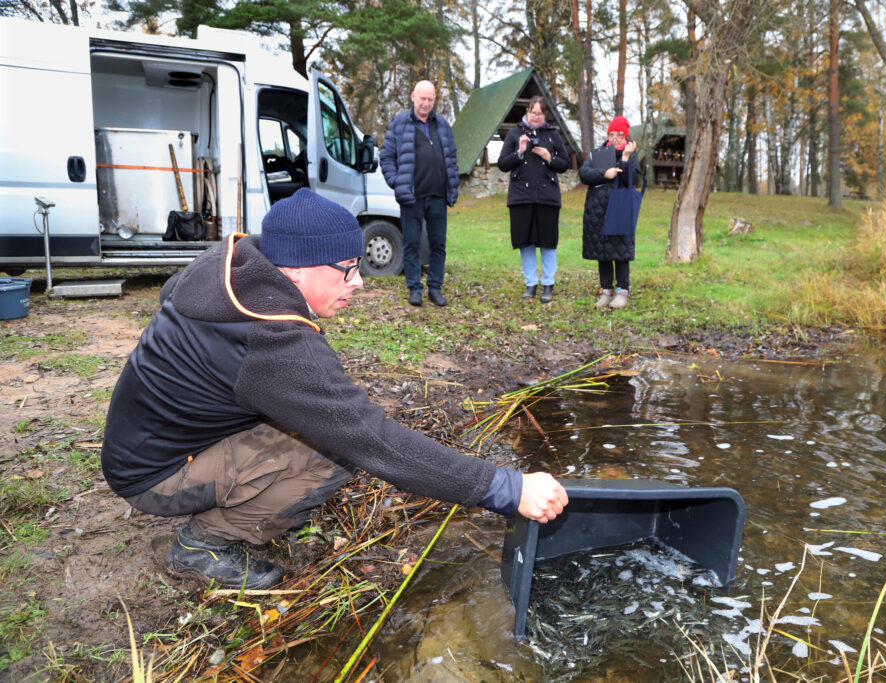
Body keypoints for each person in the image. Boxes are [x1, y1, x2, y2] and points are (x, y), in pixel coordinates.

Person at [100, 189, 568, 589]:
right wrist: (505, 488)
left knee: (328, 431)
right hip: (155, 474)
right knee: (336, 454)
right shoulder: (270, 339)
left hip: (147, 442)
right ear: (298, 269)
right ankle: (203, 543)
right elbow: (372, 441)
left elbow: (178, 303)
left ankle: (238, 495)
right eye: (347, 268)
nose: (359, 282)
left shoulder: (234, 270)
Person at [380, 81, 459, 308]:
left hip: (438, 196)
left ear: (435, 100)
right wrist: (397, 182)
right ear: (413, 96)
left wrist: (451, 188)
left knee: (438, 245)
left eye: (430, 100)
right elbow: (386, 157)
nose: (426, 103)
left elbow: (452, 159)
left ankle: (435, 288)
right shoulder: (400, 123)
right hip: (412, 197)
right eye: (422, 98)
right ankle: (414, 288)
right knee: (411, 244)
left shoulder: (442, 125)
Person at [496, 96, 570, 303]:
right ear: (527, 111)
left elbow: (564, 164)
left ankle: (548, 284)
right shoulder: (514, 133)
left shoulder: (553, 135)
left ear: (545, 115)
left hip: (547, 197)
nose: (536, 117)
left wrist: (549, 157)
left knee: (548, 242)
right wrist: (519, 152)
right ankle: (530, 284)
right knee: (525, 242)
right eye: (533, 112)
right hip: (521, 197)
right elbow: (502, 164)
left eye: (540, 113)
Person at [578, 116, 640, 310]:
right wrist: (604, 174)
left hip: (620, 209)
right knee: (602, 251)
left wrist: (625, 159)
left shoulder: (630, 155)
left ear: (625, 137)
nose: (614, 138)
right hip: (598, 209)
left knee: (620, 251)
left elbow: (632, 181)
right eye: (611, 134)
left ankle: (622, 290)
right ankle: (606, 290)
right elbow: (584, 174)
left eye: (619, 135)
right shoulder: (599, 154)